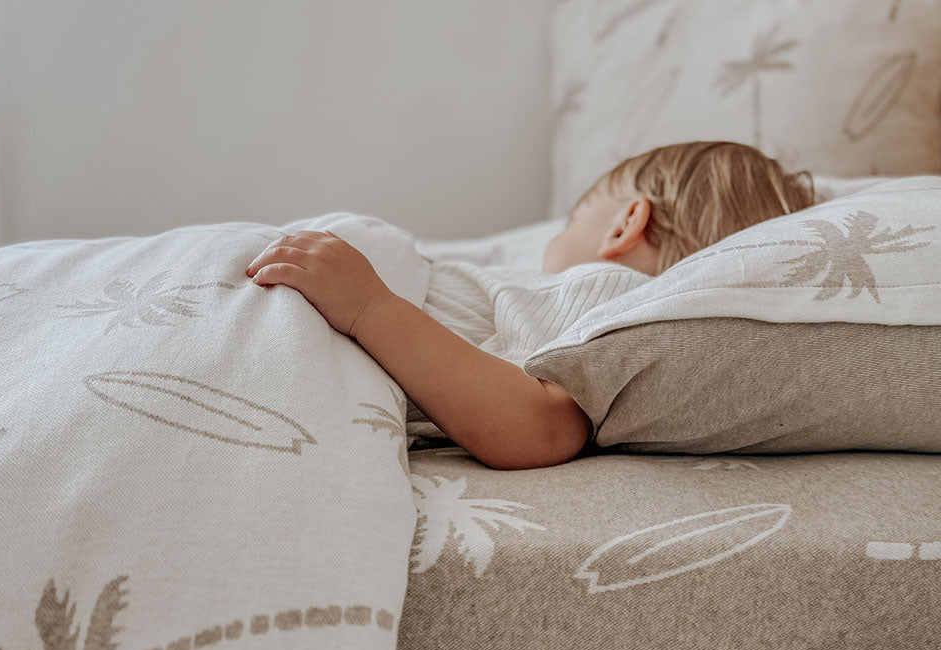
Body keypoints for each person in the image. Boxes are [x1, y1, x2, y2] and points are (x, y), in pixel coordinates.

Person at [245, 141, 814, 470]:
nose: (555, 240)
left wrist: (368, 305)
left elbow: (538, 428)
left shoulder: (605, 286)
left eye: (573, 220)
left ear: (625, 224)